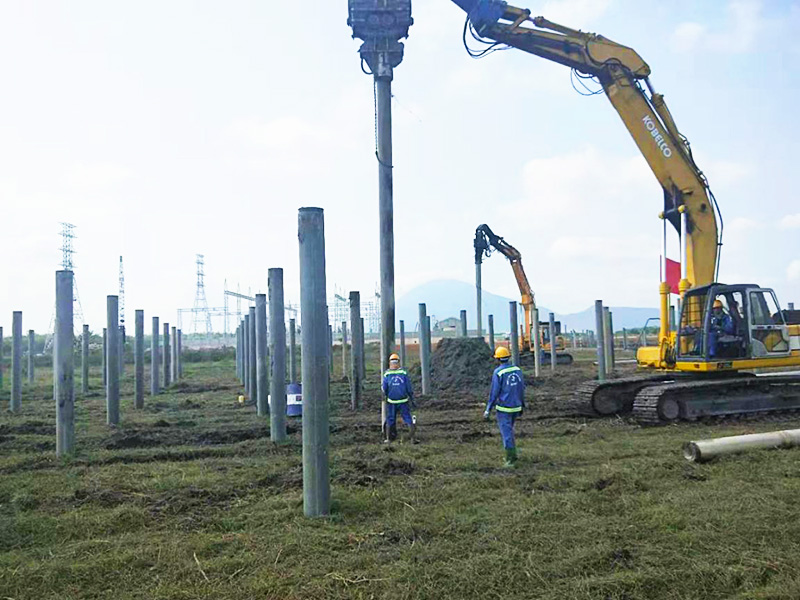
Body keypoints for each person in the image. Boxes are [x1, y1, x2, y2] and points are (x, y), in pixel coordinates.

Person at [484, 346, 526, 467]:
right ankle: (513, 454)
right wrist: (522, 404)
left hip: (504, 409)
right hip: (516, 407)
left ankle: (510, 459)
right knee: (509, 431)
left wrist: (488, 409)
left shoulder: (498, 372)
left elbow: (494, 392)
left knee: (506, 433)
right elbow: (521, 388)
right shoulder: (517, 370)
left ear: (498, 359)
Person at [382, 353, 417, 444]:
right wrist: (411, 398)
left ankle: (388, 439)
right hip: (403, 400)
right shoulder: (403, 373)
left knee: (390, 419)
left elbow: (384, 388)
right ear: (398, 362)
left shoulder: (387, 374)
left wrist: (385, 396)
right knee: (407, 418)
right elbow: (408, 387)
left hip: (391, 401)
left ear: (390, 363)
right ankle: (412, 439)